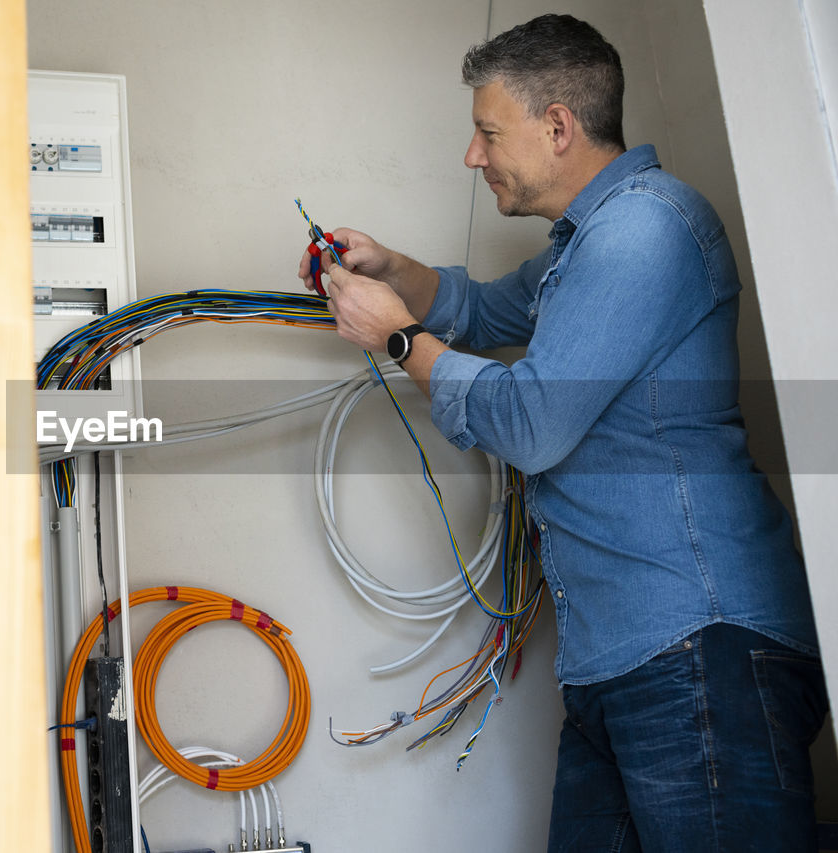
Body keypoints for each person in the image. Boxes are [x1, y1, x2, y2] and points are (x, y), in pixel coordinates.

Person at [301, 14, 828, 852]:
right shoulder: (582, 248)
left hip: (699, 645)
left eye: (486, 132)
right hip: (619, 660)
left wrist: (400, 339)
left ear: (557, 127)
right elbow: (481, 308)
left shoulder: (644, 231)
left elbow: (534, 421)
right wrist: (389, 269)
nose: (473, 156)